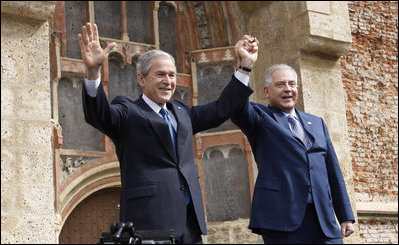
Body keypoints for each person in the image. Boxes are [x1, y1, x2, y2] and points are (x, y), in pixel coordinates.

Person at [78, 22, 257, 244]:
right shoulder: (129, 111)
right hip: (150, 225)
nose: (168, 81)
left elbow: (221, 109)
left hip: (190, 224)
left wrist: (245, 67)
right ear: (141, 79)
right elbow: (99, 115)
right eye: (160, 74)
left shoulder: (182, 112)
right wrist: (93, 71)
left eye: (172, 75)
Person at [231, 64, 355, 244]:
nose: (288, 89)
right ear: (267, 91)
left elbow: (333, 173)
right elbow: (235, 107)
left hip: (324, 221)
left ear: (297, 88)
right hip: (283, 221)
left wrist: (345, 215)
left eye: (291, 84)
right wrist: (244, 68)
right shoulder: (260, 117)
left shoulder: (317, 123)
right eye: (280, 84)